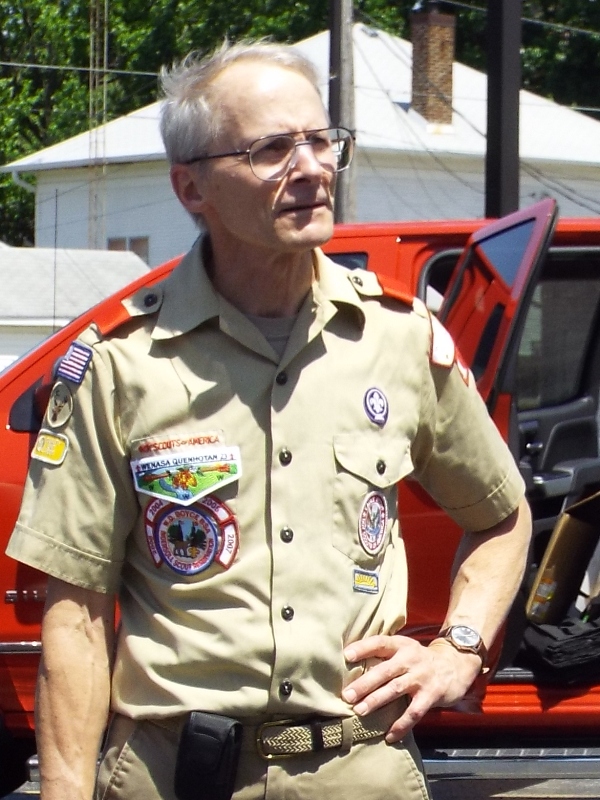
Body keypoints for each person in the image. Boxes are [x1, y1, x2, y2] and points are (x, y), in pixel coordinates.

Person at [6, 39, 532, 800]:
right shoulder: (121, 363)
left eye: (322, 141)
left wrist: (460, 646)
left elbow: (502, 514)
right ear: (191, 187)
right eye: (273, 149)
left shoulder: (398, 339)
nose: (312, 168)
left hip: (357, 769)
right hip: (174, 773)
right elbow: (76, 615)